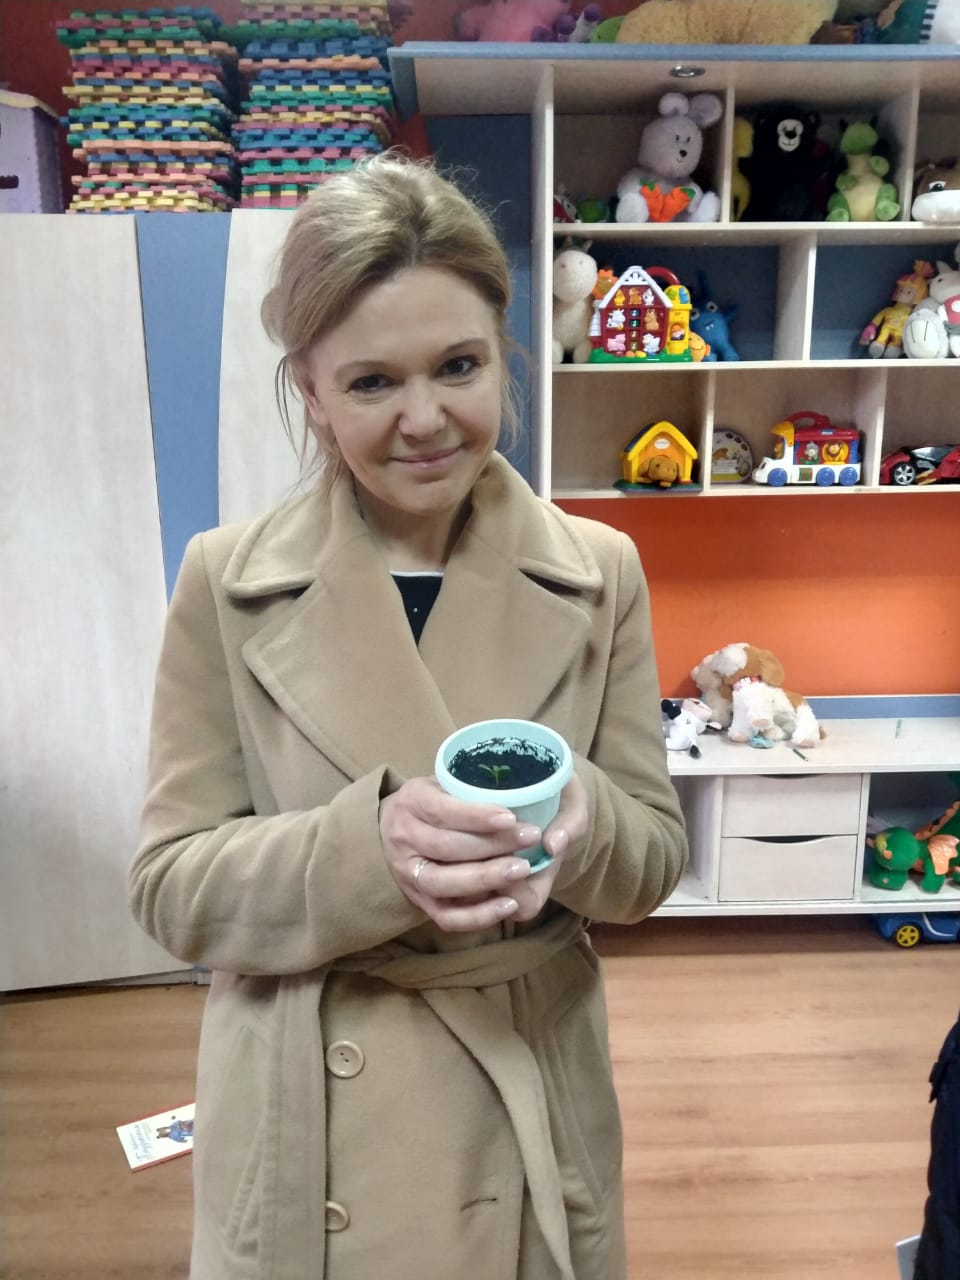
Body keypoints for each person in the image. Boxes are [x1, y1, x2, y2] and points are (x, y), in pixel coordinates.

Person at [130, 151, 688, 1280]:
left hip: (527, 1099)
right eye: (372, 381)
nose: (425, 419)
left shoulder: (601, 572)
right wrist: (366, 853)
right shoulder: (227, 582)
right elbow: (172, 886)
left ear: (505, 355)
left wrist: (585, 820)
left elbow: (652, 862)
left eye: (459, 366)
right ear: (311, 391)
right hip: (306, 1108)